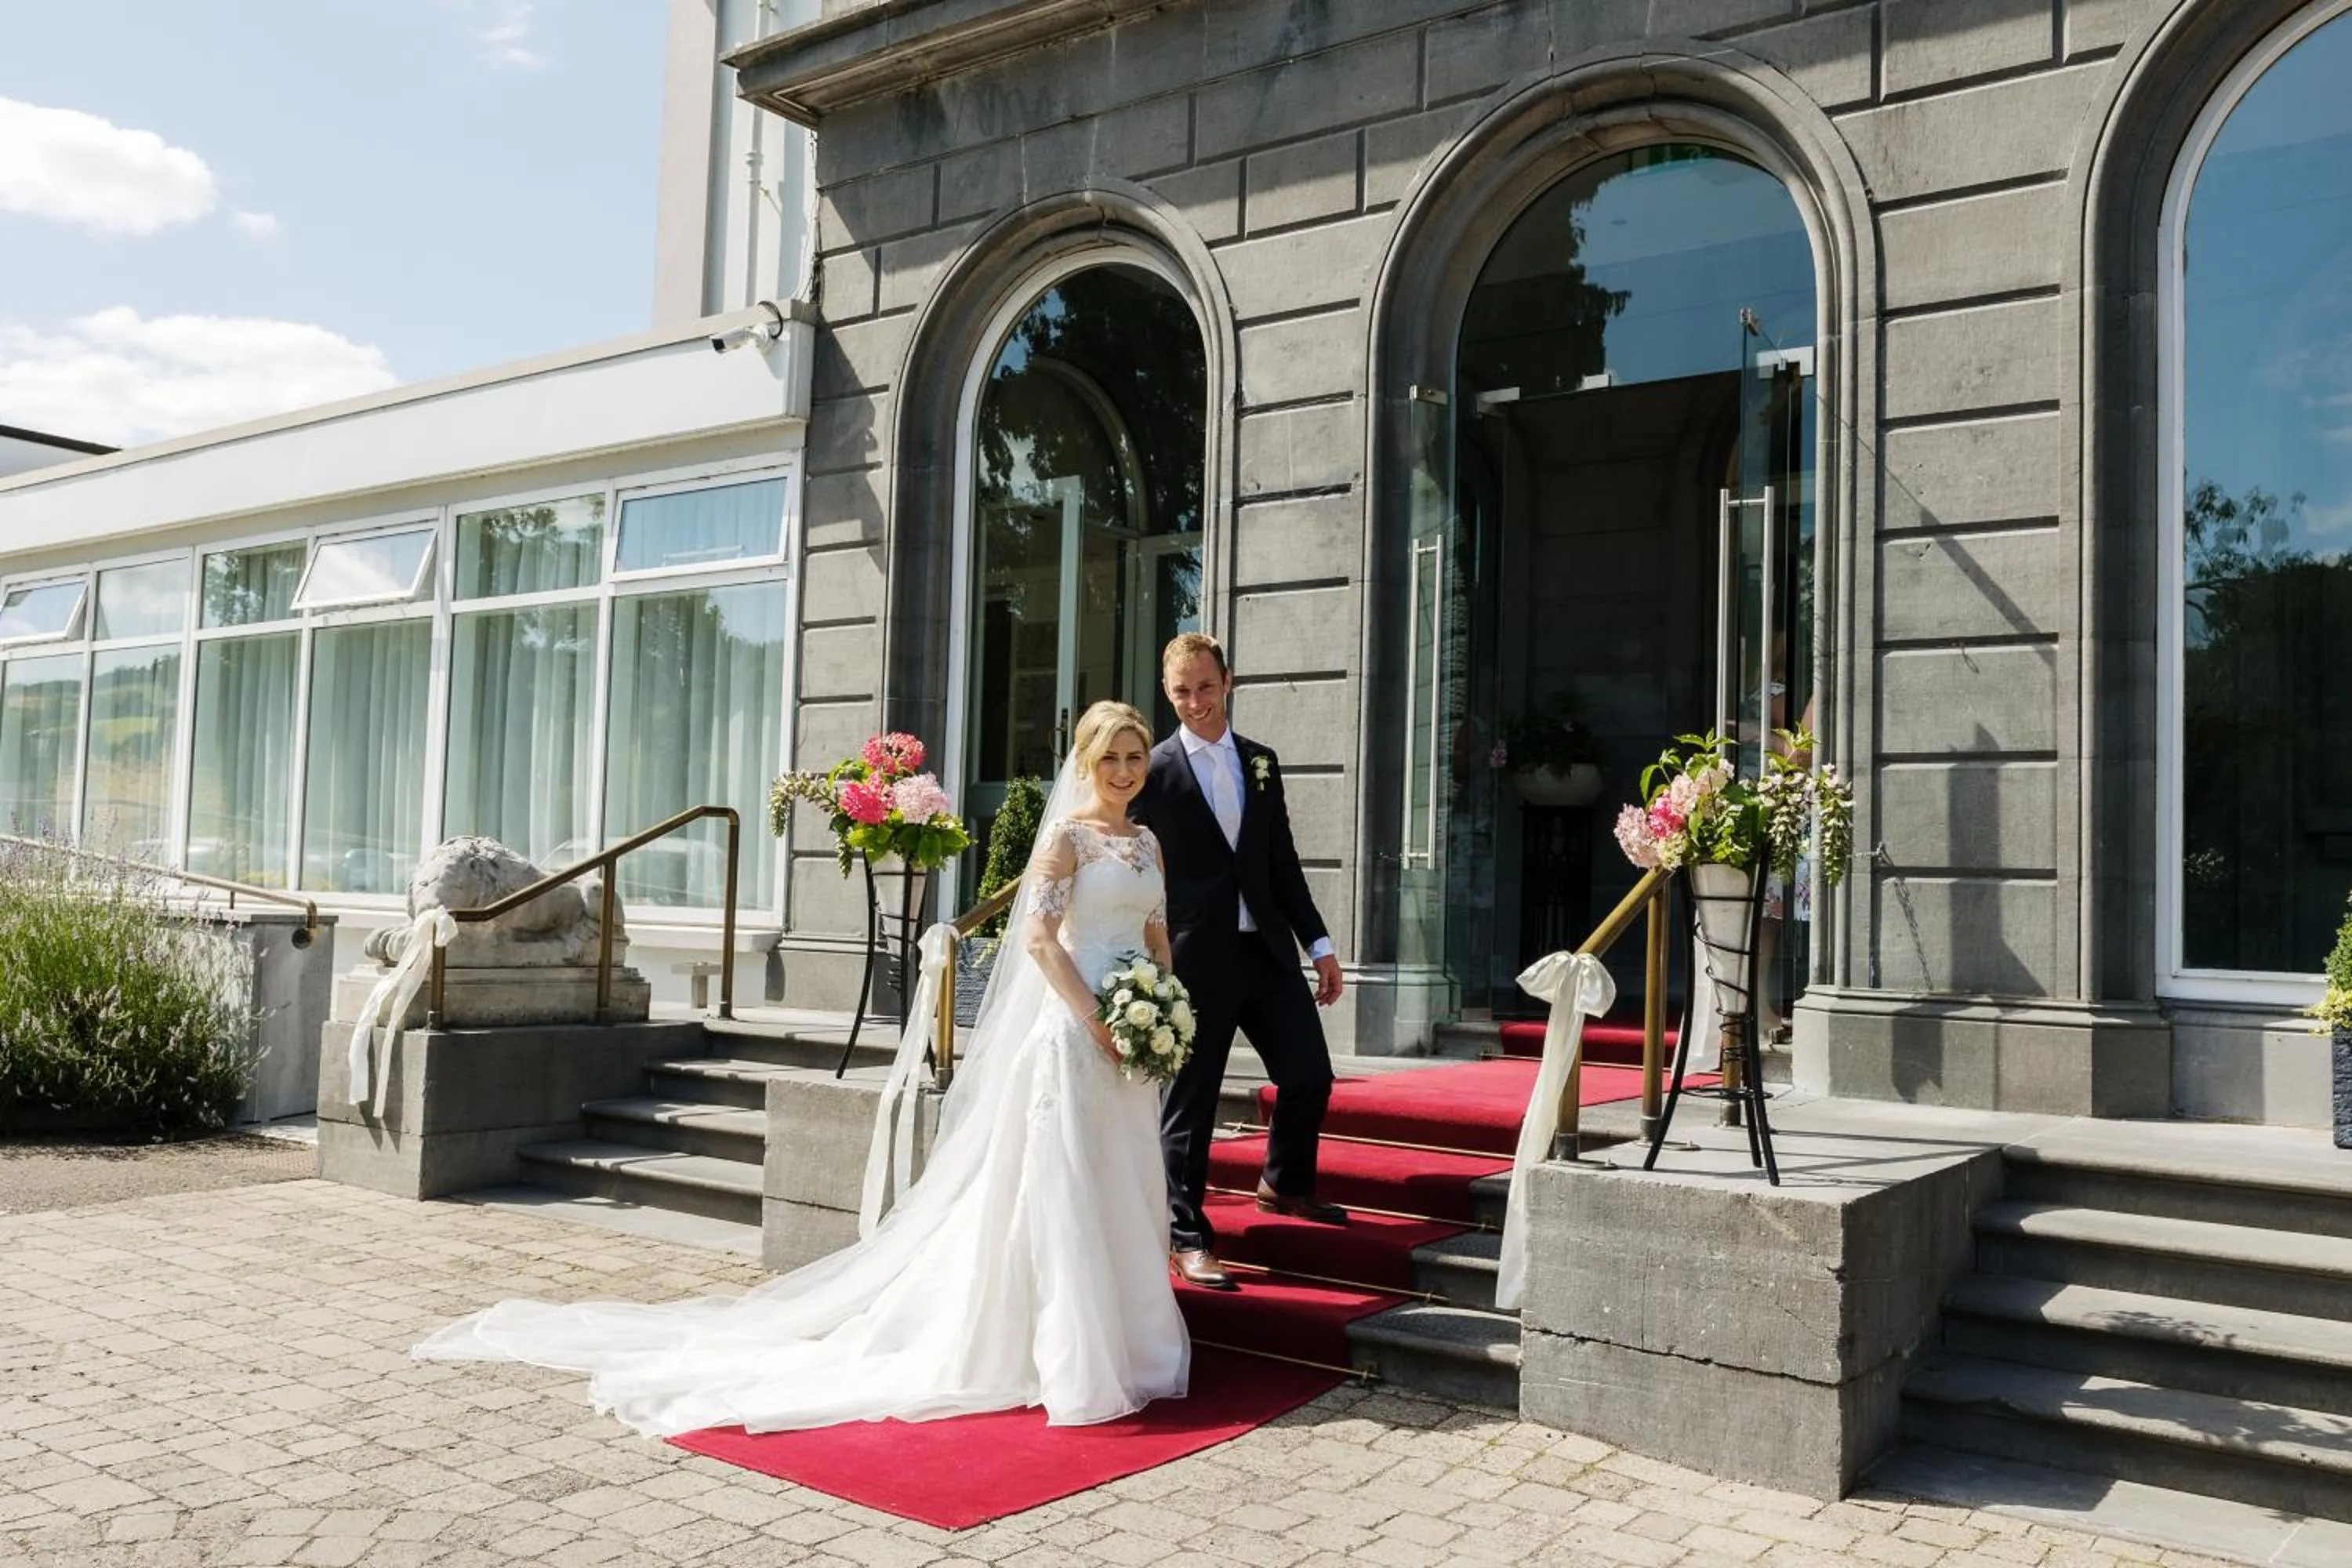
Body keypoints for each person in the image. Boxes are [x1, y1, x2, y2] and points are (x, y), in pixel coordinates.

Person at [412, 701, 1189, 1434]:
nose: (1124, 770)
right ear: (1083, 761)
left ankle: (1132, 1337)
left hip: (1134, 1036)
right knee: (1069, 1183)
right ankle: (1069, 1347)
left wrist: (1165, 1002)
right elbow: (1041, 940)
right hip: (1076, 1032)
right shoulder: (1069, 840)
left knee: (1124, 1175)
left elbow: (1155, 931)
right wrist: (1097, 1017)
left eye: (1133, 757)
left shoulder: (1149, 843)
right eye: (1109, 757)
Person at [1134, 633, 1346, 1294]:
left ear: (1228, 680)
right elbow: (1135, 864)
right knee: (1189, 1107)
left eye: (1204, 686)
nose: (1195, 702)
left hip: (1266, 951)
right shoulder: (1154, 770)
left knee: (1309, 1074)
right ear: (1167, 694)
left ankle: (1284, 1182)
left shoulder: (1262, 762)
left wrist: (1319, 944)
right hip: (1195, 960)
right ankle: (1188, 1237)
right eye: (1180, 692)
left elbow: (1280, 861)